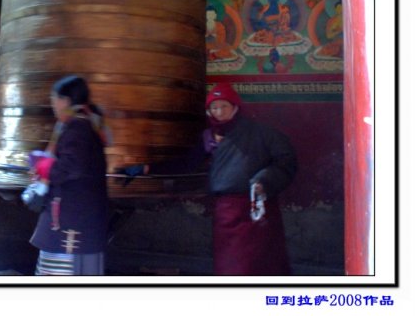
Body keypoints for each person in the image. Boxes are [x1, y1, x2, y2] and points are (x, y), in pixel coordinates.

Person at [119, 82, 297, 275]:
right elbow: (186, 163)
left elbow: (286, 159)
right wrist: (147, 168)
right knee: (229, 267)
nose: (219, 112)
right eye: (214, 107)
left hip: (253, 208)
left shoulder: (259, 133)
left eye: (224, 106)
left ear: (235, 107)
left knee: (259, 265)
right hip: (225, 212)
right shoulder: (209, 137)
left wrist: (265, 180)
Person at [28, 75, 110, 275]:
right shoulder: (88, 124)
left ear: (65, 100)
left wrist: (44, 166)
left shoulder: (77, 127)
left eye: (54, 98)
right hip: (79, 216)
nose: (52, 104)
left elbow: (72, 167)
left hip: (71, 220)